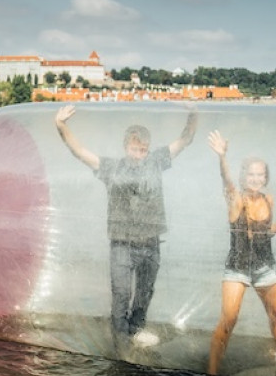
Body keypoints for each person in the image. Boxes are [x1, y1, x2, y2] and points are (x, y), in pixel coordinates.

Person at [55, 104, 197, 350]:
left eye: (143, 149)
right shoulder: (112, 168)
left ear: (148, 148)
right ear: (125, 147)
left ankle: (136, 330)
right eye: (134, 148)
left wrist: (193, 113)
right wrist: (61, 125)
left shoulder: (155, 161)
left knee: (144, 293)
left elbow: (185, 140)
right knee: (121, 295)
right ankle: (120, 342)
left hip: (151, 242)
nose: (138, 154)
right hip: (122, 244)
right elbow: (79, 151)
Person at [207, 130, 276, 375]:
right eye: (251, 174)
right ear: (244, 176)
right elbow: (226, 181)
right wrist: (222, 157)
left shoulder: (269, 199)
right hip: (237, 268)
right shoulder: (236, 200)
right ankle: (212, 375)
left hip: (266, 268)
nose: (255, 179)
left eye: (260, 175)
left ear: (265, 177)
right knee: (228, 320)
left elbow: (268, 229)